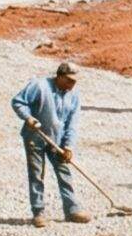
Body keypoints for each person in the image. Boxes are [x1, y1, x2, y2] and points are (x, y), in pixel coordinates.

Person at [11, 61, 92, 227]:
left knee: (64, 173)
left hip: (58, 140)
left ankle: (72, 209)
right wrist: (28, 118)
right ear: (59, 76)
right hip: (35, 137)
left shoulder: (74, 96)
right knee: (37, 174)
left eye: (75, 81)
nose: (72, 84)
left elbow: (72, 124)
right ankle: (38, 212)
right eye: (69, 80)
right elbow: (18, 102)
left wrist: (68, 146)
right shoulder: (39, 86)